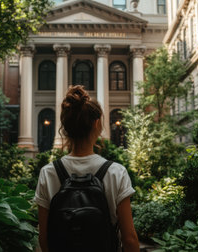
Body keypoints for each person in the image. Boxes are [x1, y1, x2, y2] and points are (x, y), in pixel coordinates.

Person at [34, 85, 140, 252]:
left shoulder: (48, 172)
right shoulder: (116, 172)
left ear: (65, 126)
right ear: (97, 124)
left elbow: (44, 238)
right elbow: (130, 239)